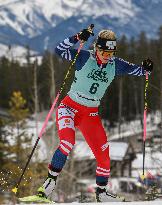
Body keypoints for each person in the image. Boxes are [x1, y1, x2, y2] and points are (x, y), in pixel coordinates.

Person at [20, 26, 153, 203]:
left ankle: (102, 193)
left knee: (104, 155)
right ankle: (48, 185)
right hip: (69, 108)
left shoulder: (115, 64)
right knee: (67, 143)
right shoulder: (83, 57)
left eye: (111, 52)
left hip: (90, 114)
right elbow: (59, 50)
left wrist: (146, 68)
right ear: (97, 48)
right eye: (104, 52)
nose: (107, 56)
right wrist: (77, 37)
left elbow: (139, 71)